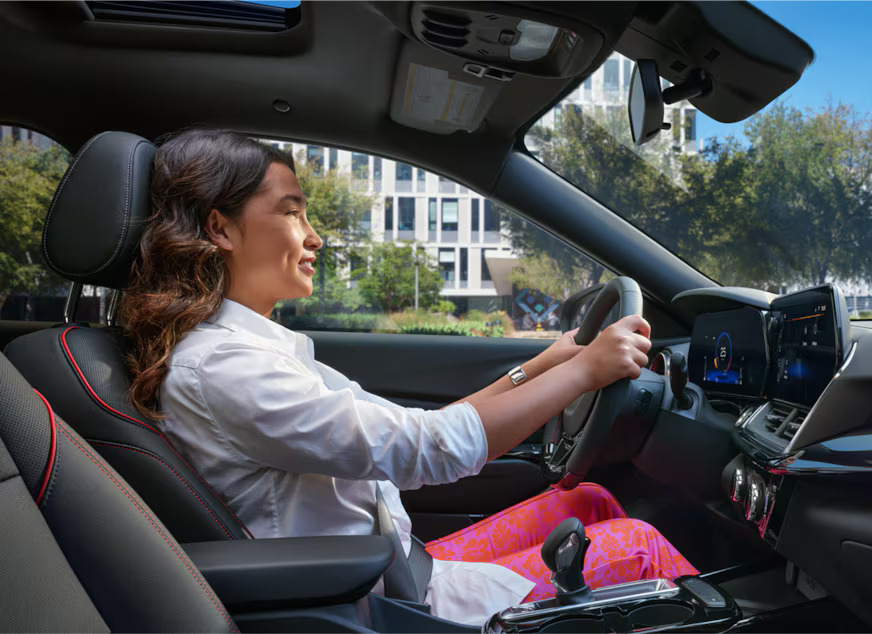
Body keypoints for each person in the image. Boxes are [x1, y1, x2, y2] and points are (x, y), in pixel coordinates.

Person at [120, 130, 696, 625]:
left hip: (399, 565)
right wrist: (584, 374)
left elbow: (419, 426)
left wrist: (549, 364)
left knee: (589, 501)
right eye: (292, 212)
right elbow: (429, 447)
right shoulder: (226, 366)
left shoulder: (252, 350)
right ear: (221, 229)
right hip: (378, 603)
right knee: (639, 548)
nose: (314, 235)